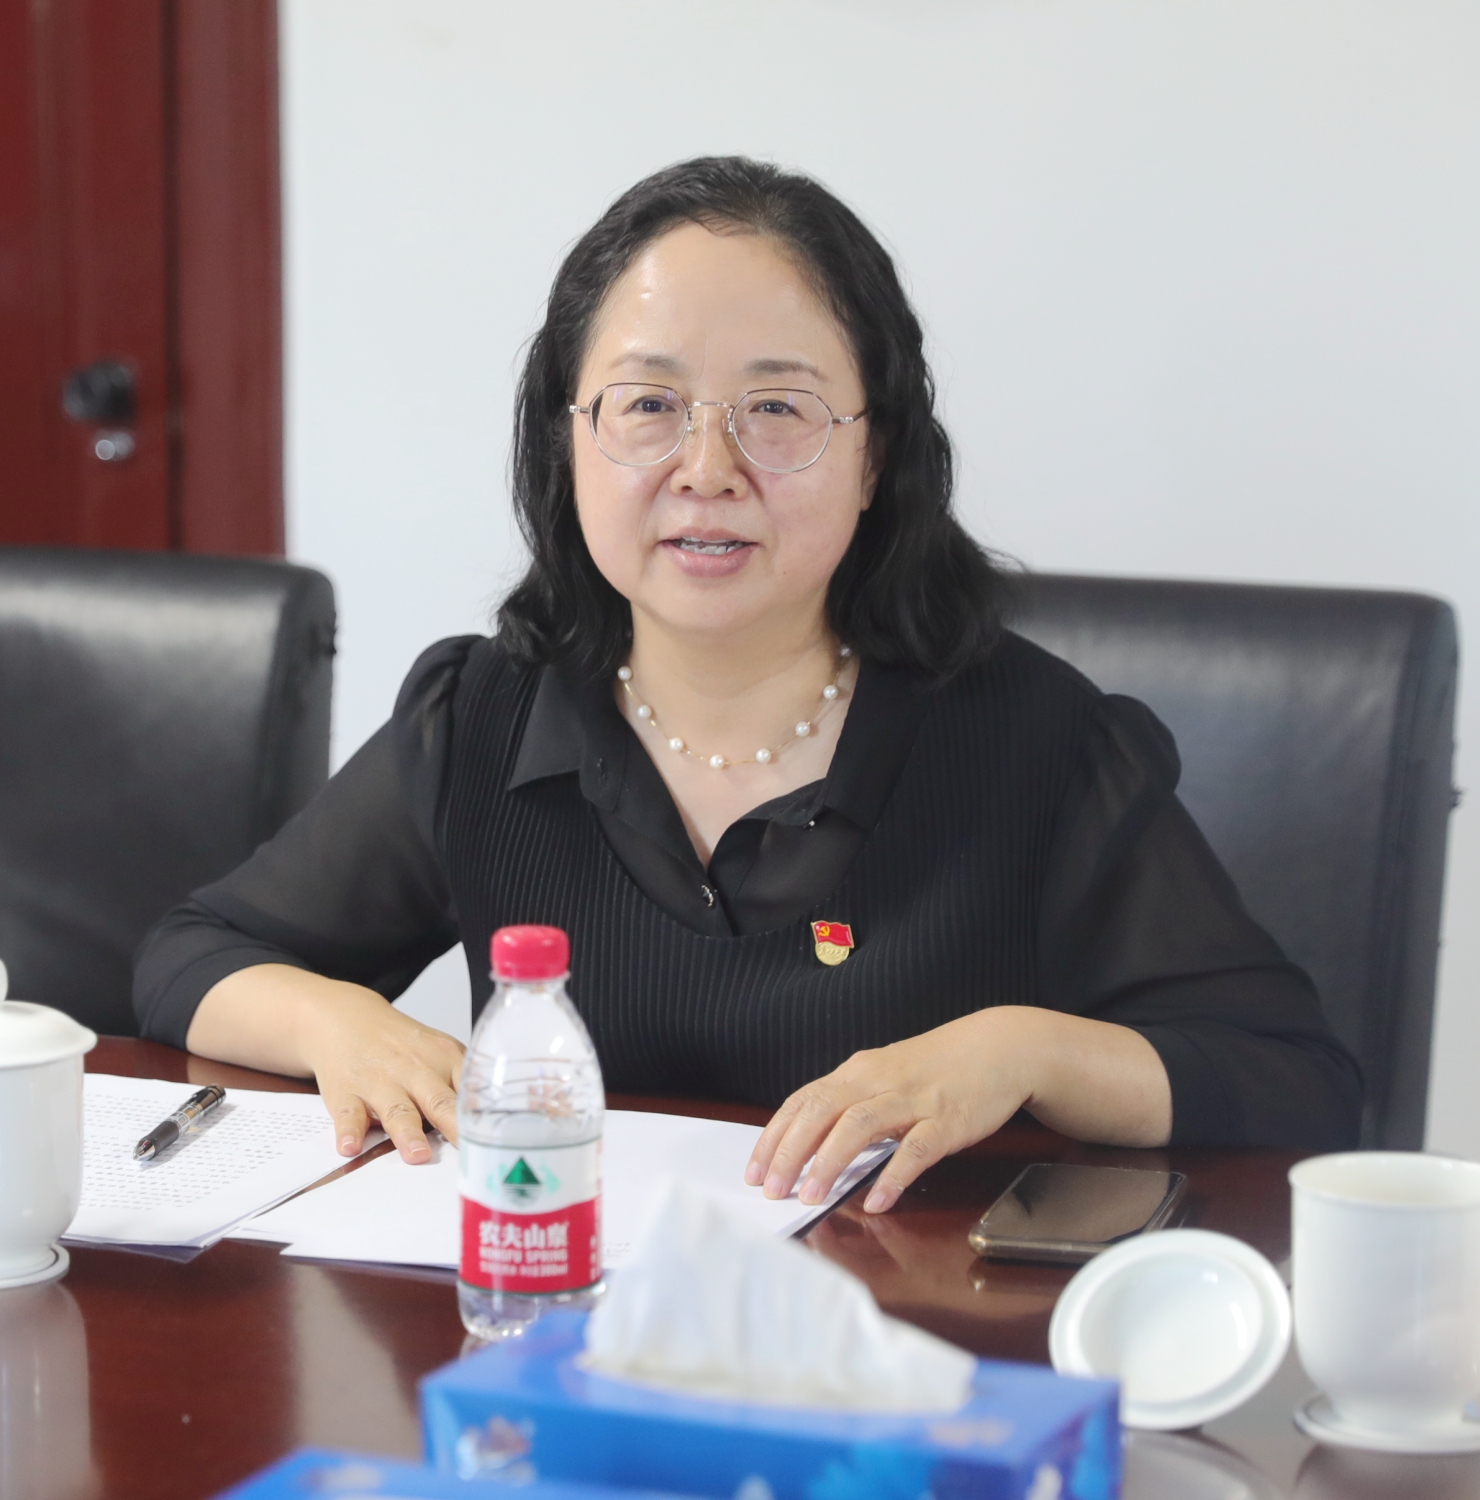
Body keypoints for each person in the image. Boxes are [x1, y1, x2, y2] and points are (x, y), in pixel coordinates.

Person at [134, 157, 1360, 1214]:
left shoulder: (1039, 741)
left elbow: (1292, 1079)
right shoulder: (487, 718)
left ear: (875, 455)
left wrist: (1024, 1052)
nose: (707, 467)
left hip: (909, 1360)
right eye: (649, 406)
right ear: (569, 443)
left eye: (777, 408)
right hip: (565, 1336)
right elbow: (195, 955)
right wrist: (340, 1022)